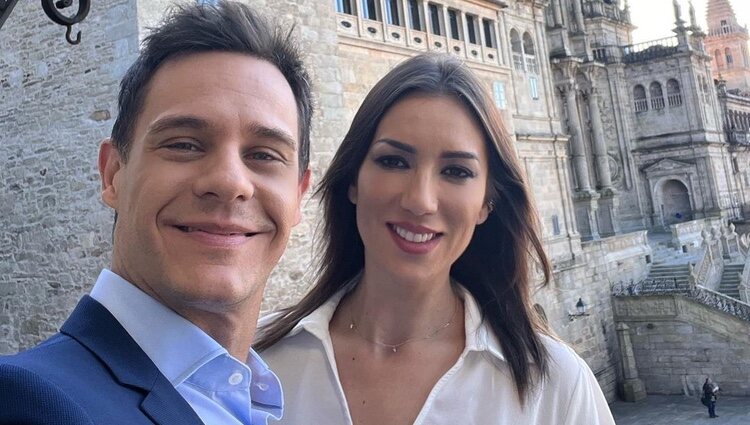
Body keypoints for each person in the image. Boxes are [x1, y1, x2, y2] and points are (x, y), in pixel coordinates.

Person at [255, 53, 614, 424]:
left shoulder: (557, 386)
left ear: (487, 203)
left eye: (456, 171)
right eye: (394, 162)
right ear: (353, 181)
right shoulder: (253, 360)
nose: (420, 200)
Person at [0, 2, 312, 424]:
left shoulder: (270, 400)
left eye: (263, 154)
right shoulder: (29, 403)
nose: (230, 182)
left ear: (298, 195)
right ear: (113, 175)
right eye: (184, 144)